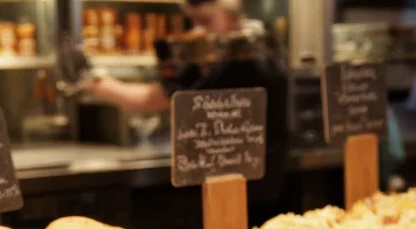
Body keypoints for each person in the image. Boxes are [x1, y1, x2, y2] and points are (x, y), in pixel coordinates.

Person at [75, 0, 290, 210]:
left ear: (232, 16)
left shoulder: (238, 57)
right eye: (194, 21)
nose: (198, 28)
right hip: (240, 174)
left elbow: (150, 99)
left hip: (254, 176)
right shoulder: (259, 45)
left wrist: (94, 81)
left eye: (206, 20)